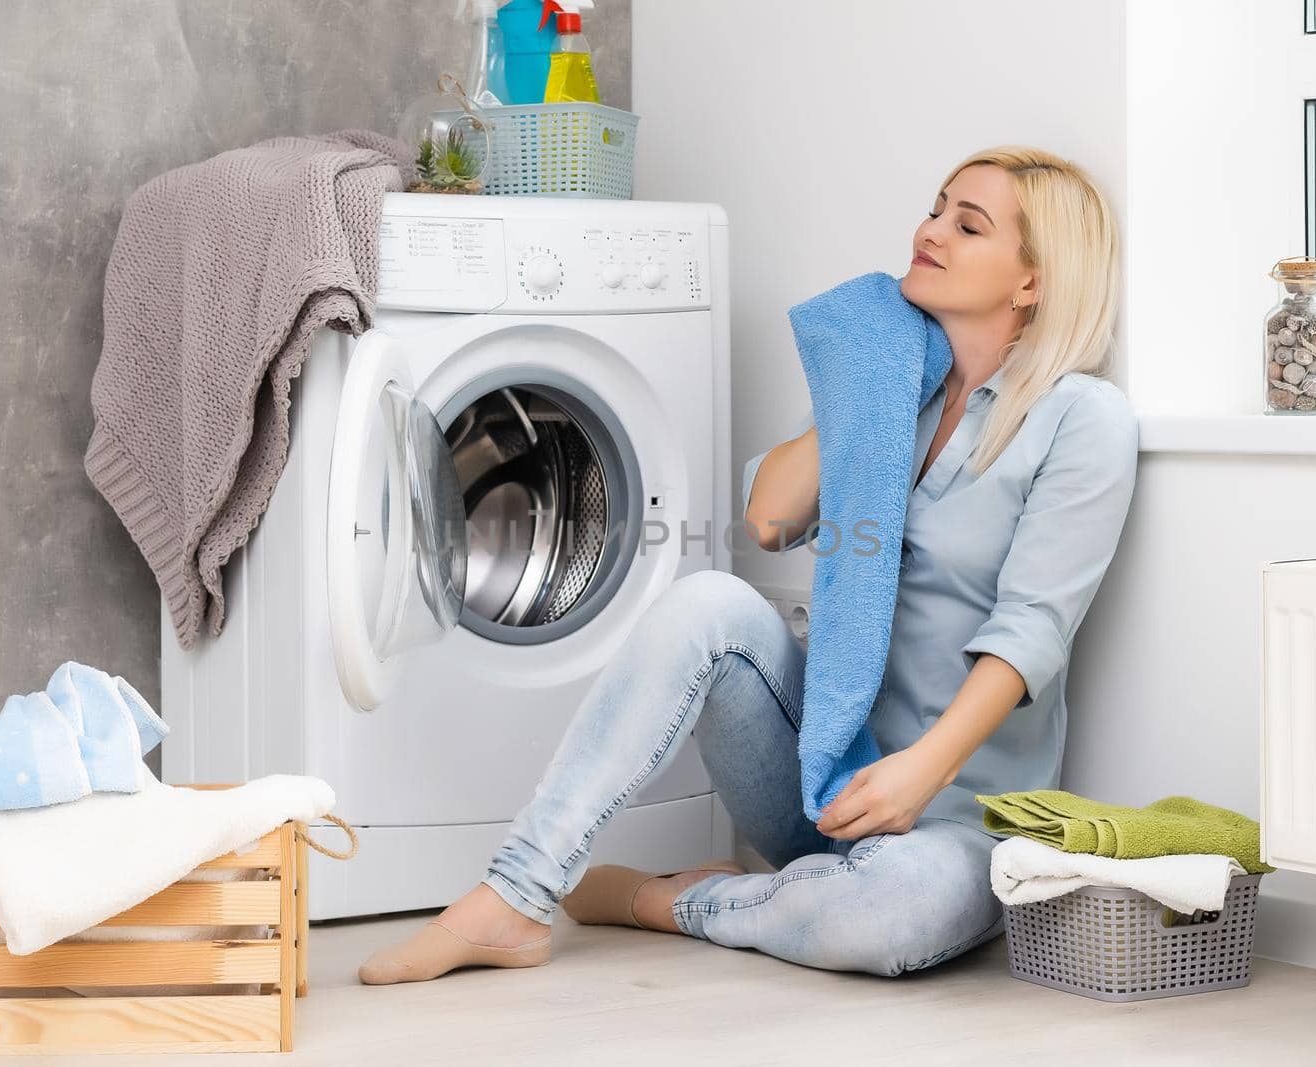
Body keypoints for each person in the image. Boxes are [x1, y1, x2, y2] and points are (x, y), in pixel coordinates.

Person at [359, 145, 1139, 982]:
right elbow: (768, 519)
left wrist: (922, 770)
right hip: (823, 776)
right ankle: (516, 894)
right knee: (707, 601)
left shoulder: (1081, 421)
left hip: (959, 819)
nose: (931, 230)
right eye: (936, 208)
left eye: (968, 224)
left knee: (894, 910)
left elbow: (1032, 632)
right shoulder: (892, 383)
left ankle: (677, 902)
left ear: (1031, 282)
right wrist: (868, 386)